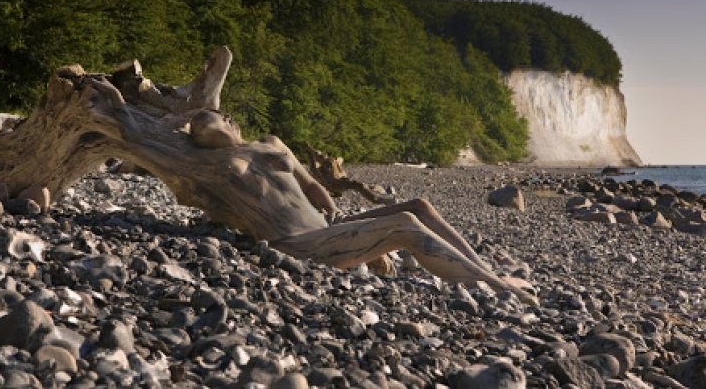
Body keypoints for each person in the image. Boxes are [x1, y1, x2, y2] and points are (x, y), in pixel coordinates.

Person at [188, 109, 538, 305]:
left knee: (420, 205)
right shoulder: (215, 166)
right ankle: (498, 287)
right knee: (404, 223)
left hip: (325, 224)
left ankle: (481, 274)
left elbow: (311, 184)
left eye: (222, 117)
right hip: (301, 242)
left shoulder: (271, 145)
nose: (219, 122)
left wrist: (334, 214)